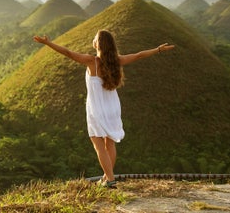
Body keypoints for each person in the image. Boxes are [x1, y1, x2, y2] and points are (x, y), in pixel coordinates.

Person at [33, 29, 174, 188]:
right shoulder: (117, 61)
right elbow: (139, 55)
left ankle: (110, 180)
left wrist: (48, 43)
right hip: (113, 107)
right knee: (110, 144)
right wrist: (158, 49)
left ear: (97, 44)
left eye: (94, 38)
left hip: (97, 109)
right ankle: (107, 178)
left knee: (98, 144)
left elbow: (67, 52)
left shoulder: (91, 61)